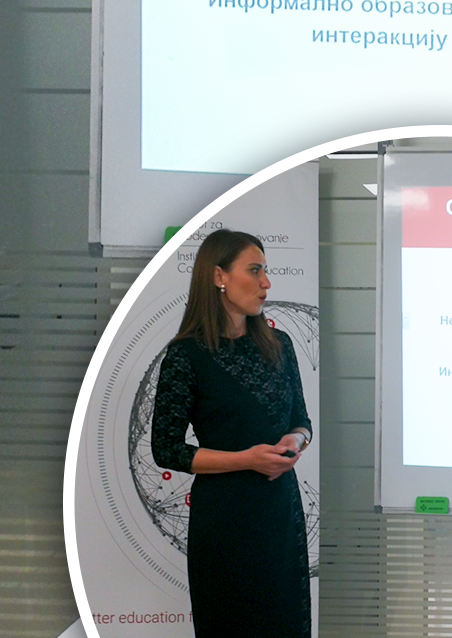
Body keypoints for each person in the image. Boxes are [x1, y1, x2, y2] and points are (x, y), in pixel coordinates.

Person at [151, 229, 313, 638]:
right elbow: (166, 449)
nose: (266, 283)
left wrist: (295, 442)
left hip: (280, 514)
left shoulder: (281, 344)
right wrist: (246, 460)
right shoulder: (186, 355)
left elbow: (302, 421)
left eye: (266, 271)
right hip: (224, 519)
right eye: (254, 270)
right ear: (218, 276)